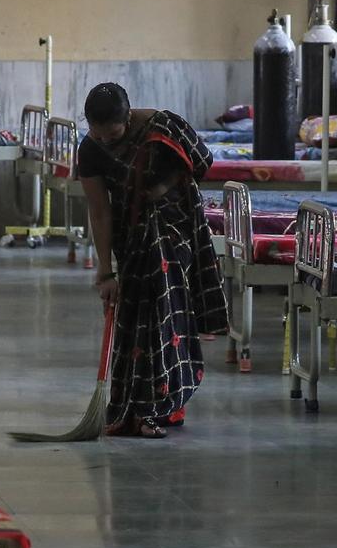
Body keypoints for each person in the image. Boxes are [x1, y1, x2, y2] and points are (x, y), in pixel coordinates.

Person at [76, 82, 228, 438]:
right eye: (97, 135)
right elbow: (99, 211)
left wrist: (163, 186)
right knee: (135, 326)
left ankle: (158, 409)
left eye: (112, 136)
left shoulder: (163, 128)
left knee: (165, 320)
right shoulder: (90, 151)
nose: (105, 142)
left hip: (175, 236)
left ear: (127, 119)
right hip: (132, 243)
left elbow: (202, 163)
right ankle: (136, 409)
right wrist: (105, 270)